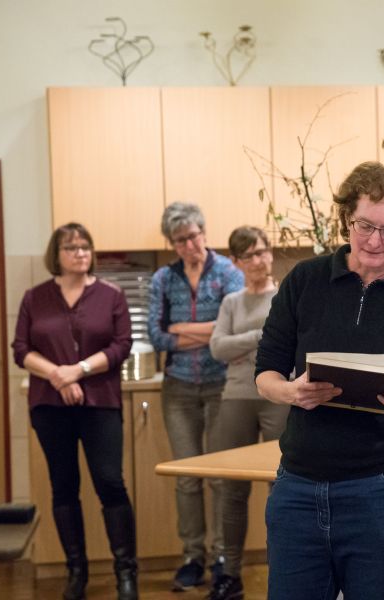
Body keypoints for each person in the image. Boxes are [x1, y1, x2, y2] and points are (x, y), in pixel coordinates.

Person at [255, 161, 384, 599]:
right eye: (365, 225)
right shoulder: (305, 281)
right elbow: (265, 374)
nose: (374, 240)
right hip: (299, 487)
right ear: (347, 218)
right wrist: (292, 391)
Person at [12, 223, 136, 600]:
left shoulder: (111, 295)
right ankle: (76, 572)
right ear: (57, 254)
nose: (80, 253)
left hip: (100, 402)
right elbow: (21, 349)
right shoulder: (34, 297)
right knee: (64, 486)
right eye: (71, 247)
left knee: (110, 482)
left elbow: (122, 346)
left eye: (85, 246)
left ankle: (126, 574)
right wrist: (58, 375)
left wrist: (77, 370)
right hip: (50, 405)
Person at [148, 202, 245, 591]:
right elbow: (157, 336)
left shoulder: (228, 273)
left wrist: (183, 328)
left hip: (222, 385)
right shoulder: (163, 278)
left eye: (192, 236)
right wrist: (208, 332)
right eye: (179, 240)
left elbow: (231, 328)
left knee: (220, 476)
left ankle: (222, 556)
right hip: (179, 388)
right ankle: (192, 556)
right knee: (187, 477)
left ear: (204, 232)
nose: (188, 245)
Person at [208, 226, 289, 600]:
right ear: (236, 262)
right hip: (237, 395)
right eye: (250, 255)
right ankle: (230, 574)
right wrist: (260, 336)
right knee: (232, 489)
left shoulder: (285, 296)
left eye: (263, 251)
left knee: (282, 487)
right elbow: (218, 348)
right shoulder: (231, 302)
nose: (259, 260)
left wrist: (241, 346)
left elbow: (289, 344)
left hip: (278, 396)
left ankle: (284, 570)